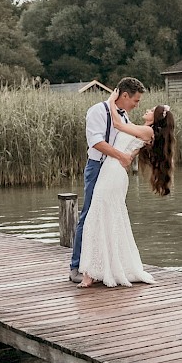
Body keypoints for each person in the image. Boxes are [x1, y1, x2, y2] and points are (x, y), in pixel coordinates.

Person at [78, 91, 176, 288]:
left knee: (98, 216)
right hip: (111, 171)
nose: (146, 110)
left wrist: (111, 100)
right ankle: (98, 269)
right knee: (102, 216)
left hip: (113, 173)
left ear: (156, 117)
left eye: (151, 110)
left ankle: (92, 272)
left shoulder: (147, 132)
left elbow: (117, 125)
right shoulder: (143, 130)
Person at [69, 77, 146, 283]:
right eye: (135, 100)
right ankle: (77, 266)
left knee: (109, 216)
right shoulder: (97, 111)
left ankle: (103, 266)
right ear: (125, 95)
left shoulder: (124, 117)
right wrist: (121, 156)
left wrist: (128, 155)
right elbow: (96, 141)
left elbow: (128, 141)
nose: (137, 105)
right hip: (97, 167)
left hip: (114, 172)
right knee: (89, 214)